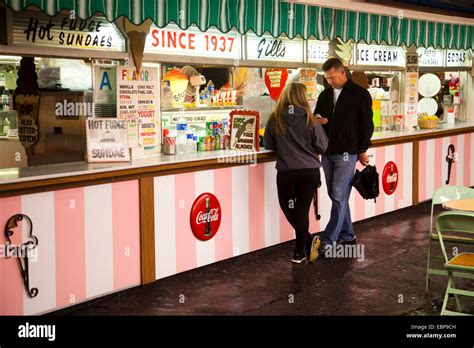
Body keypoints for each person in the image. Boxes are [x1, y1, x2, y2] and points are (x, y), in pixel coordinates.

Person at [314, 58, 374, 255]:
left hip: (348, 154)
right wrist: (318, 120)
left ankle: (329, 240)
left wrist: (362, 149)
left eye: (332, 78)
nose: (329, 81)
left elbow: (367, 125)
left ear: (342, 73)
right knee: (336, 195)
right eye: (327, 78)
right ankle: (348, 235)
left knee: (339, 194)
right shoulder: (324, 95)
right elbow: (316, 116)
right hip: (327, 152)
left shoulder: (360, 95)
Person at [264, 82, 328, 264]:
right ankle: (304, 245)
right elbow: (322, 146)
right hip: (309, 171)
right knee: (301, 209)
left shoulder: (275, 118)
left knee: (288, 208)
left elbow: (268, 144)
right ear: (302, 97)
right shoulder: (310, 119)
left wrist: (284, 143)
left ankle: (302, 249)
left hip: (286, 172)